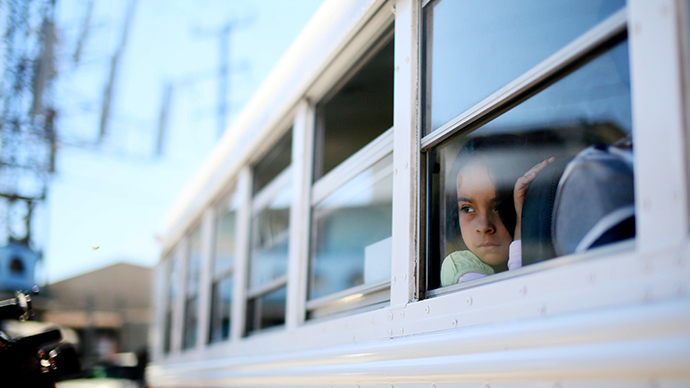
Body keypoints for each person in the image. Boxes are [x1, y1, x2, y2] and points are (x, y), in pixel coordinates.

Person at [440, 135, 552, 286]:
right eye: (467, 208)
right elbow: (519, 294)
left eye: (499, 207)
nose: (484, 226)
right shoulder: (460, 269)